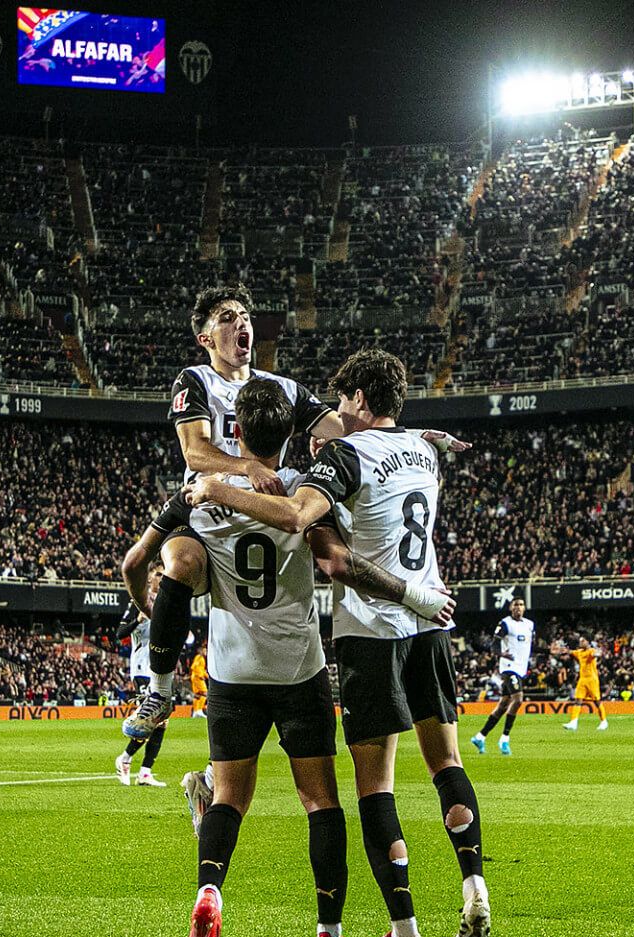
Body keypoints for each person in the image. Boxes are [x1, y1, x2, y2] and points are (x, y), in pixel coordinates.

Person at [125, 378, 451, 937]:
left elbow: (141, 560)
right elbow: (333, 554)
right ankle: (329, 936)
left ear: (238, 432)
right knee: (321, 803)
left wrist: (158, 599)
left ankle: (208, 894)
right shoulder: (304, 489)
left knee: (228, 799)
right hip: (300, 670)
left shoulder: (202, 493)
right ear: (293, 434)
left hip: (230, 673)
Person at [188, 348, 490, 937]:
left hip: (370, 633)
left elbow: (308, 526)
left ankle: (405, 931)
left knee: (374, 787)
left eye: (342, 403)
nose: (334, 416)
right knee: (446, 763)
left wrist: (217, 487)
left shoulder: (346, 458)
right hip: (430, 624)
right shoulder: (428, 452)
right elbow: (400, 457)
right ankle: (474, 884)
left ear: (359, 400)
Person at [127, 284, 464, 740]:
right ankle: (161, 690)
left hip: (270, 505)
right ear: (206, 339)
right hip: (206, 504)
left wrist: (412, 433)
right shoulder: (195, 380)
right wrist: (245, 465)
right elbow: (195, 452)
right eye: (226, 317)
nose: (241, 322)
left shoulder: (283, 388)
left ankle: (225, 761)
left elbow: (349, 429)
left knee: (293, 589)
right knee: (182, 563)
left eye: (244, 314)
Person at [111, 584, 168, 787]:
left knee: (161, 721)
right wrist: (138, 620)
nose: (162, 580)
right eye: (158, 575)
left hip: (159, 670)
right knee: (150, 719)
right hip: (143, 669)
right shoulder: (138, 603)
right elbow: (120, 633)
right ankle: (125, 759)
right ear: (150, 579)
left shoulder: (166, 603)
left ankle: (145, 772)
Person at [473, 598, 535, 755]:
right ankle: (504, 739)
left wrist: (550, 651)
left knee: (503, 705)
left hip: (521, 668)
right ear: (510, 608)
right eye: (515, 605)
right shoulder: (505, 623)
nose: (518, 608)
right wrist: (501, 654)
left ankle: (480, 736)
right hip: (508, 668)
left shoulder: (529, 625)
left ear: (525, 608)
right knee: (518, 699)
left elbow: (530, 647)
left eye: (521, 605)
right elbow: (494, 643)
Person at [560, 637, 607, 732]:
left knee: (596, 701)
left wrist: (599, 653)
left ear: (588, 642)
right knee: (578, 700)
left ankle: (604, 721)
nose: (581, 642)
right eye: (580, 641)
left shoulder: (591, 651)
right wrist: (566, 650)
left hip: (592, 680)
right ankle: (573, 722)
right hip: (582, 679)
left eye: (583, 641)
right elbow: (571, 652)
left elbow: (596, 654)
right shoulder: (579, 652)